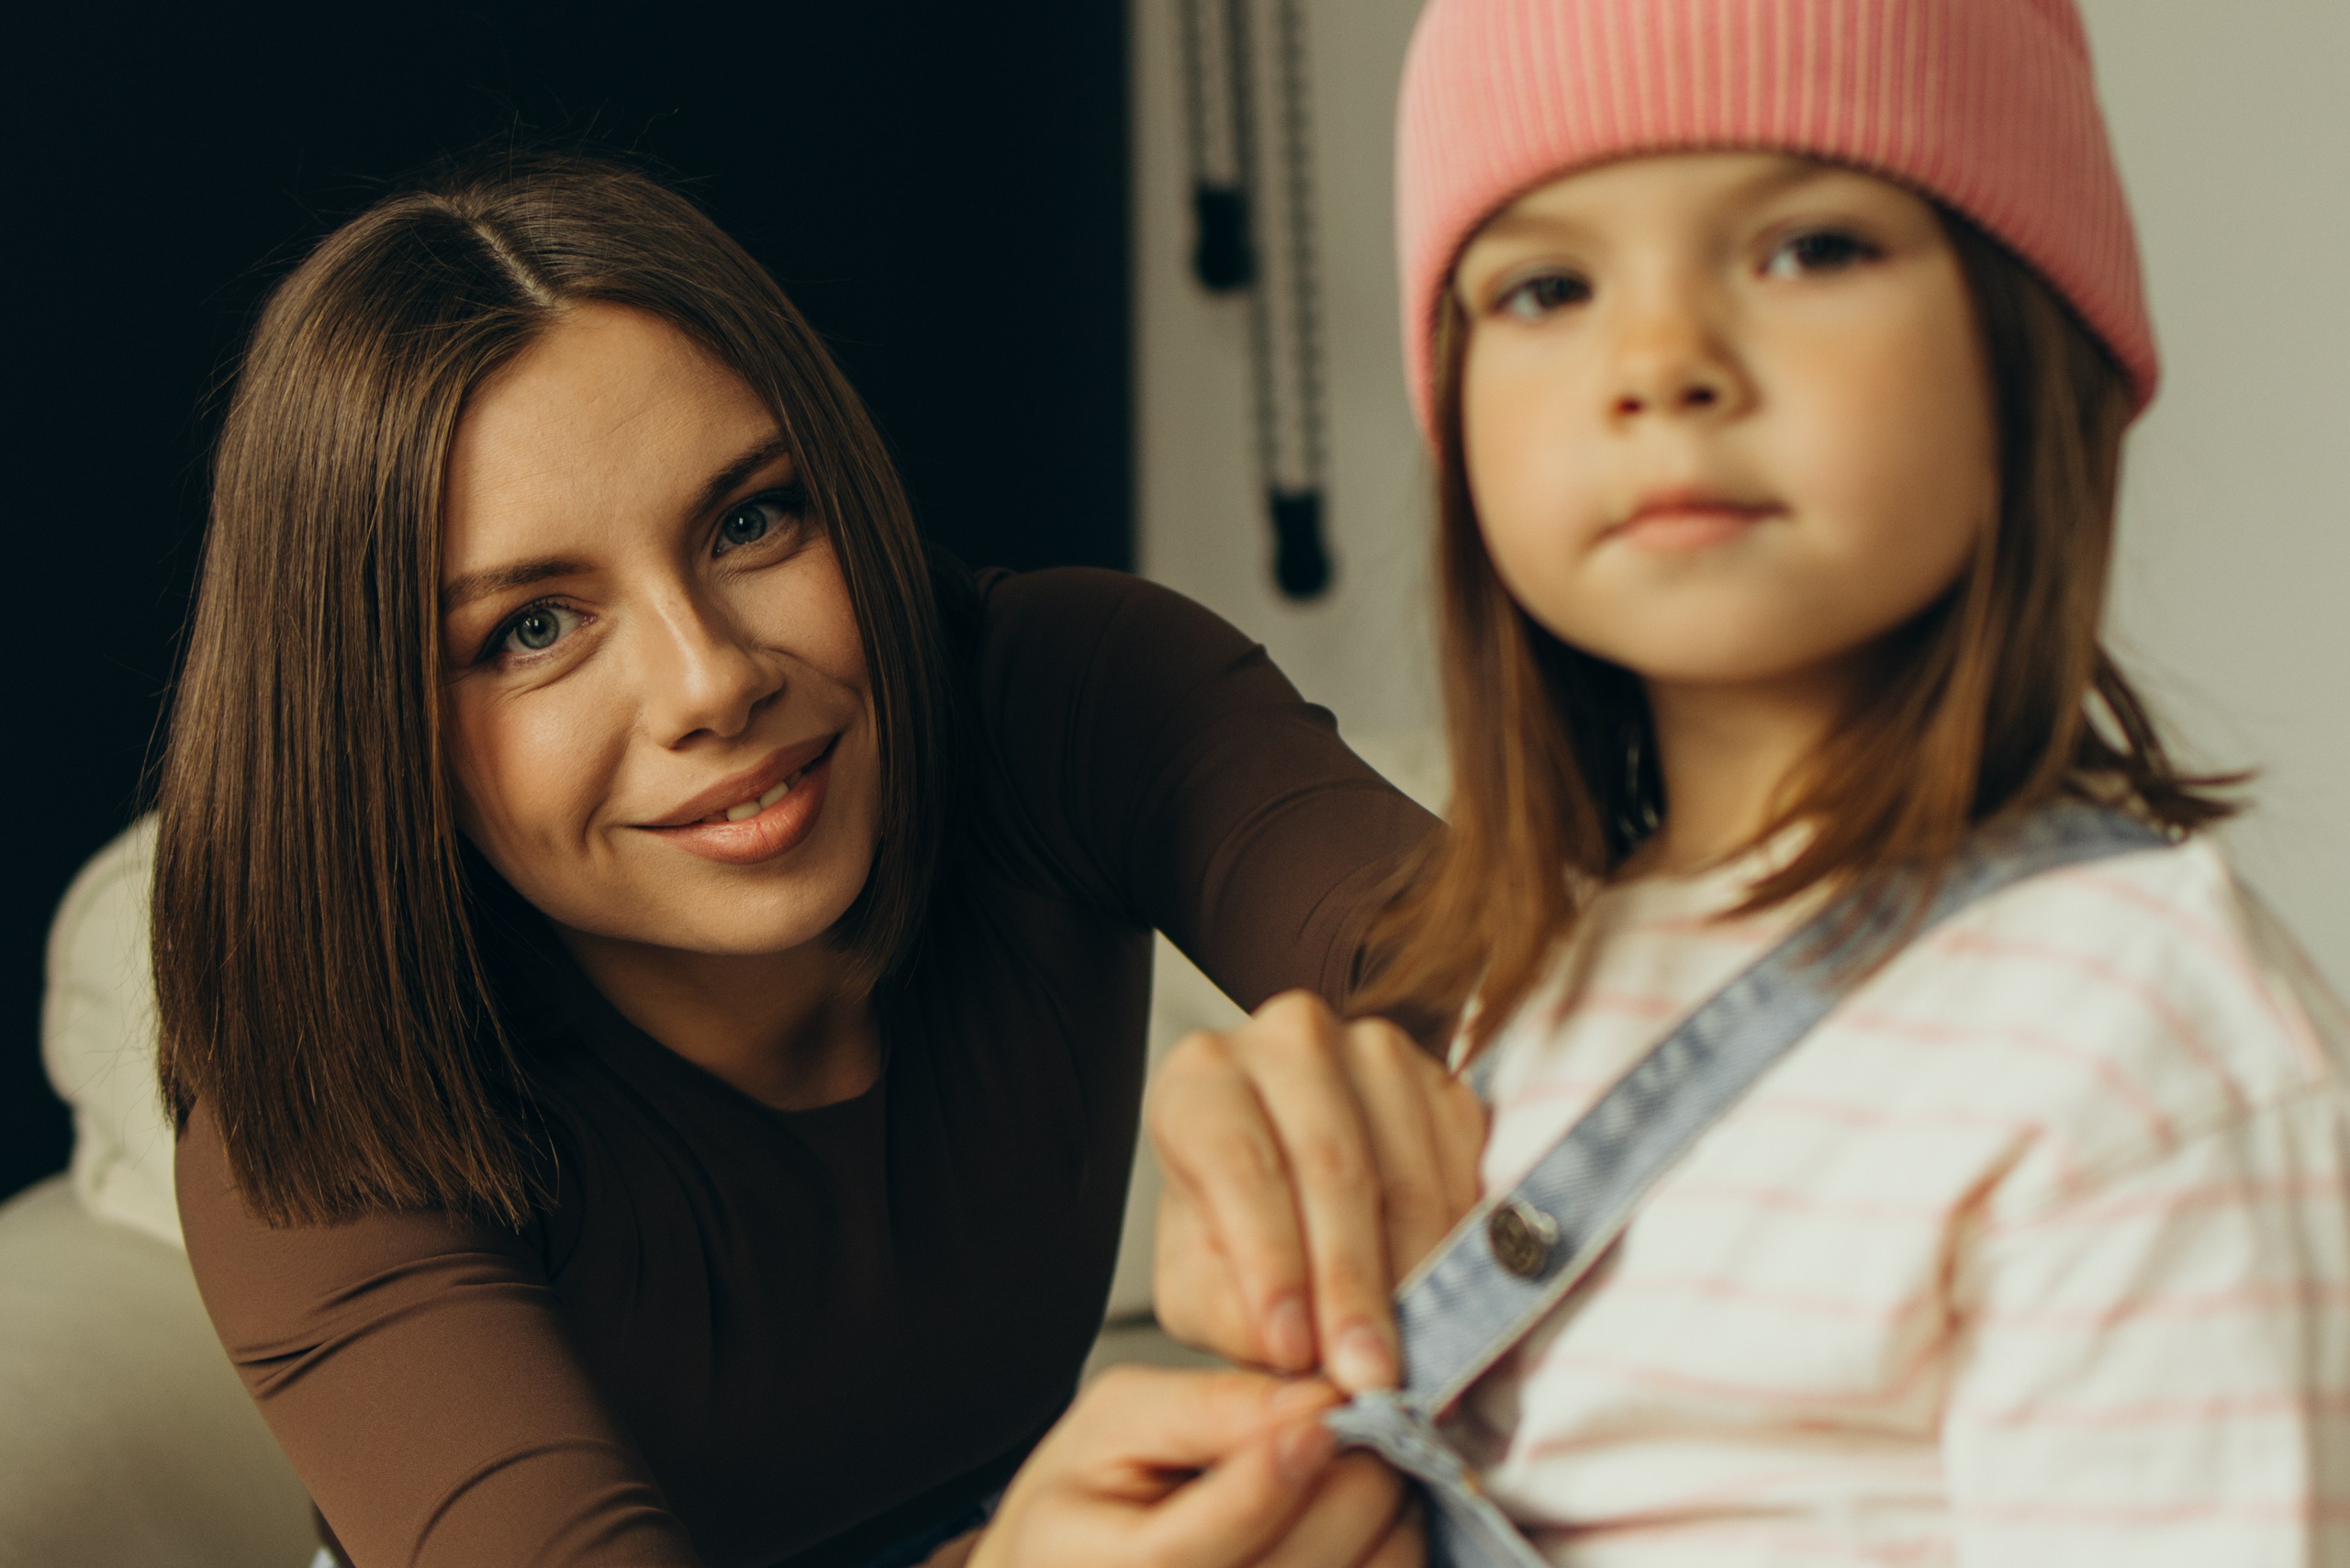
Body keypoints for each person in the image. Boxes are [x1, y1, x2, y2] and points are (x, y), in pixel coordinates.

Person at [1152, 0, 2350, 1562]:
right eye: (1548, 286)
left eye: (1810, 249)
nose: (1661, 363)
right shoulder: (1552, 991)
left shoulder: (2137, 1027)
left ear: (2029, 334)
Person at [153, 153, 1471, 1568]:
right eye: (533, 627)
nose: (711, 680)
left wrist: (1372, 1127)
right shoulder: (314, 1112)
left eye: (749, 520)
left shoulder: (1063, 694)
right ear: (373, 729)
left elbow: (1523, 991)